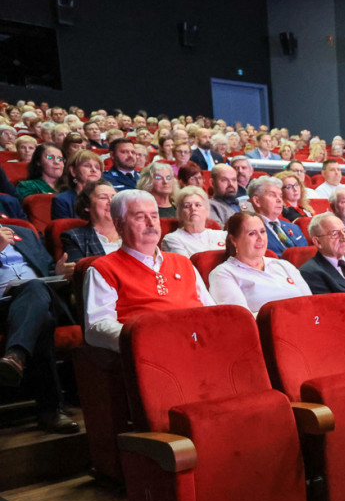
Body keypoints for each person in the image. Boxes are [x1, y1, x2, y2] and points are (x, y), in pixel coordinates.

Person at [83, 190, 214, 352]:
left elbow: (211, 311)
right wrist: (146, 338)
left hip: (199, 345)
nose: (151, 224)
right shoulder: (103, 269)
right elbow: (97, 327)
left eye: (154, 216)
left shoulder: (183, 262)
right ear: (118, 225)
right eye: (140, 217)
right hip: (152, 354)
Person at [0, 218, 78, 433]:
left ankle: (16, 356)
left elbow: (47, 270)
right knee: (42, 319)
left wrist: (59, 272)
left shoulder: (21, 232)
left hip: (38, 296)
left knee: (34, 288)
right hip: (4, 303)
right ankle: (51, 411)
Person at [209, 211, 311, 316]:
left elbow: (310, 304)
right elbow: (242, 320)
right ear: (234, 240)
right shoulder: (223, 273)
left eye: (262, 231)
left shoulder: (284, 265)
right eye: (252, 233)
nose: (260, 238)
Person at [247, 176, 308, 257]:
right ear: (257, 201)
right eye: (272, 195)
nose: (279, 200)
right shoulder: (250, 231)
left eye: (280, 196)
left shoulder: (294, 227)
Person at [62, 181, 120, 262]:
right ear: (87, 205)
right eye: (103, 197)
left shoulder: (133, 233)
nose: (111, 202)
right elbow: (79, 271)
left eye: (114, 197)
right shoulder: (75, 237)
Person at [160, 186, 227, 257]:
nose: (193, 208)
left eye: (198, 205)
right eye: (187, 206)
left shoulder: (223, 235)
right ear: (179, 213)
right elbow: (187, 267)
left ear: (207, 211)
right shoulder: (172, 239)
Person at [50, 149, 104, 220]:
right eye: (87, 166)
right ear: (73, 171)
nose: (94, 170)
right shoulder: (62, 200)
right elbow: (64, 229)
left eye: (97, 167)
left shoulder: (109, 198)